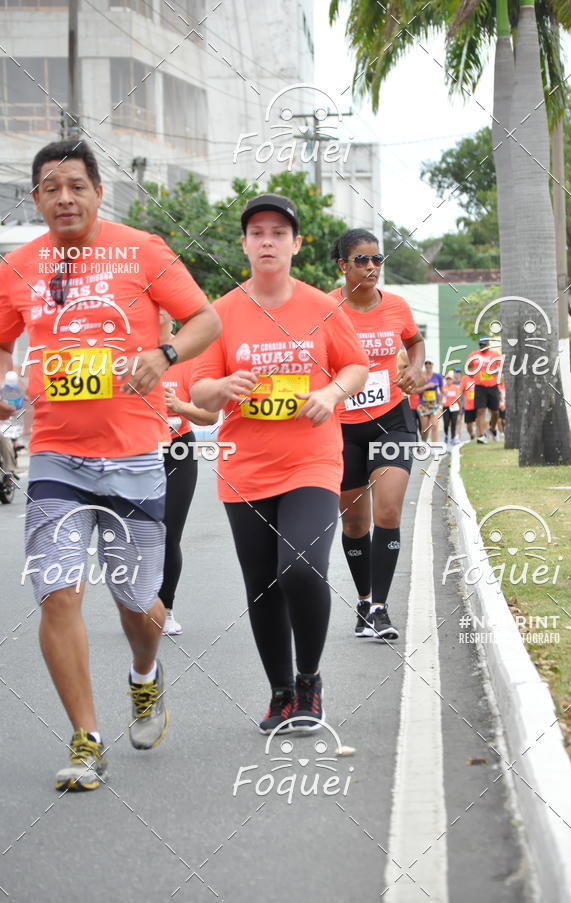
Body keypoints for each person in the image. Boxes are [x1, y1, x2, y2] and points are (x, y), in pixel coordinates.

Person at [0, 139, 220, 791]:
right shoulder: (19, 267)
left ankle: (144, 678)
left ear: (99, 191)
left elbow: (203, 317)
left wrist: (166, 352)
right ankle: (86, 737)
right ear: (36, 197)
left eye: (75, 185)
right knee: (58, 591)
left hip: (133, 456)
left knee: (136, 602)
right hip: (56, 459)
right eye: (49, 187)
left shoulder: (142, 250)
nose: (63, 197)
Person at [190, 194, 368, 734]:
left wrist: (332, 394)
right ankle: (280, 693)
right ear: (244, 245)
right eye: (257, 232)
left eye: (278, 232)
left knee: (302, 567)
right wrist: (220, 386)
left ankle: (309, 679)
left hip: (311, 460)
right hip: (245, 467)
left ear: (295, 244)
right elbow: (198, 389)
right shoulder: (221, 312)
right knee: (263, 583)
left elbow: (356, 365)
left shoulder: (322, 307)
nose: (267, 241)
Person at [330, 229, 425, 640]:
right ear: (343, 266)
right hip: (342, 426)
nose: (372, 267)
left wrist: (416, 367)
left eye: (377, 259)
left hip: (391, 420)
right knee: (354, 523)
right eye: (362, 260)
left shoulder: (397, 306)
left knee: (388, 512)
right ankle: (365, 600)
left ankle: (382, 609)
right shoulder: (324, 308)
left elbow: (415, 341)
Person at [158, 308, 218, 635]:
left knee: (168, 533)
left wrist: (178, 406)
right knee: (134, 535)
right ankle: (138, 603)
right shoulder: (126, 356)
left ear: (172, 320)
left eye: (160, 313)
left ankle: (165, 608)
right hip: (134, 453)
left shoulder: (187, 358)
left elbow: (209, 416)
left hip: (177, 450)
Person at [465, 337, 502, 443]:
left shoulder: (495, 355)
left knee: (495, 412)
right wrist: (471, 373)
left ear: (489, 345)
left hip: (493, 386)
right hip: (480, 387)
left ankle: (493, 429)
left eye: (484, 345)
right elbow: (468, 368)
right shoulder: (473, 355)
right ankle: (481, 436)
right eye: (481, 345)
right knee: (480, 411)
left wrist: (495, 371)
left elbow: (501, 368)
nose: (482, 347)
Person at [417, 359, 443, 442]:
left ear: (432, 364)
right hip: (423, 405)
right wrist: (426, 386)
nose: (428, 365)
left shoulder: (438, 376)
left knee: (434, 425)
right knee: (425, 429)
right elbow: (417, 391)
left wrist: (441, 402)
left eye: (430, 363)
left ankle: (435, 447)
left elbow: (442, 390)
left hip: (435, 404)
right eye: (426, 363)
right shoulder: (421, 377)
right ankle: (424, 443)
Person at [441, 373, 460, 444]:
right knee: (446, 422)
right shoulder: (443, 387)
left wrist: (460, 407)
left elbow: (458, 398)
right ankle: (446, 435)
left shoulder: (455, 388)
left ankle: (453, 437)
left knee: (453, 422)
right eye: (447, 379)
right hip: (446, 407)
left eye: (450, 379)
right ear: (446, 380)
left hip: (454, 407)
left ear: (452, 380)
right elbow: (441, 398)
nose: (448, 381)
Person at [459, 371, 477, 440]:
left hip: (478, 405)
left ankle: (478, 437)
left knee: (479, 421)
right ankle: (472, 435)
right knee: (469, 425)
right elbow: (460, 392)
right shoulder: (465, 379)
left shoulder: (478, 377)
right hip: (468, 406)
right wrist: (460, 405)